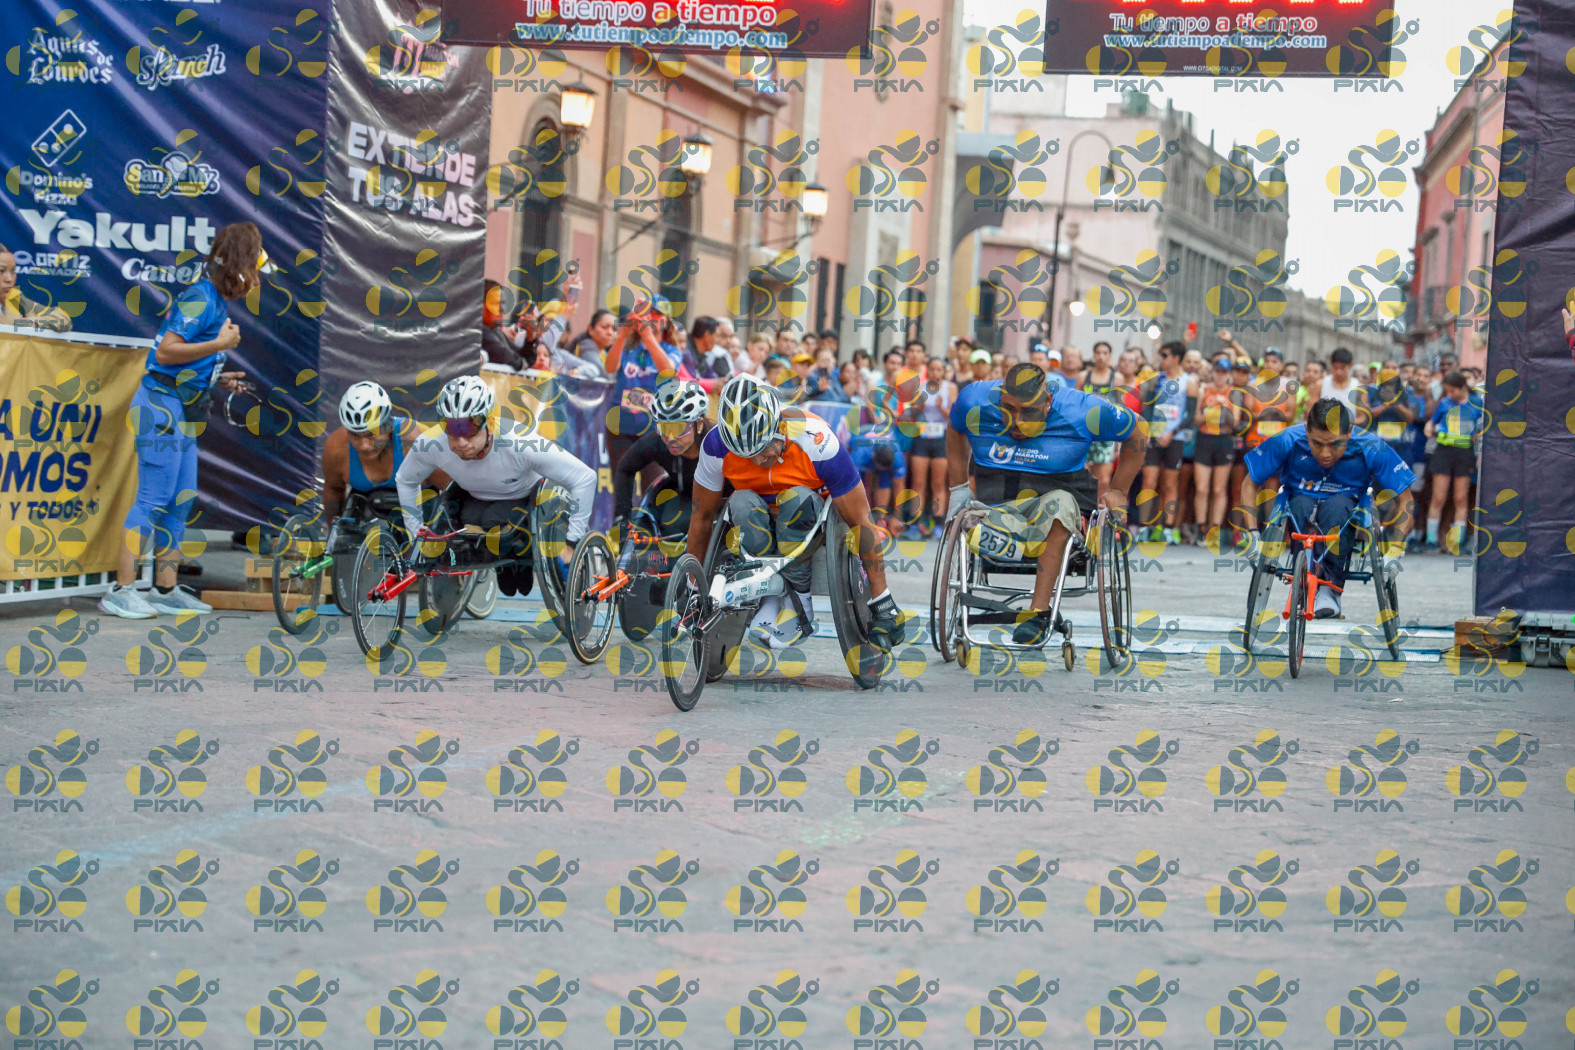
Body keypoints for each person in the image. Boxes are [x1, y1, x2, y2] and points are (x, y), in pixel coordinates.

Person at [100, 222, 260, 619]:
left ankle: (165, 589)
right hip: (161, 405)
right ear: (238, 265)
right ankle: (121, 590)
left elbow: (187, 357)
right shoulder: (201, 298)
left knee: (179, 499)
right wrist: (221, 344)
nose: (256, 279)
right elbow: (166, 353)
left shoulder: (214, 299)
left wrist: (217, 376)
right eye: (253, 268)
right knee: (152, 499)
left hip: (181, 407)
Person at [686, 374, 901, 649]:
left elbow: (861, 520)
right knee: (739, 502)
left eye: (763, 448)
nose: (757, 460)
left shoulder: (817, 439)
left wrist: (882, 600)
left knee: (795, 500)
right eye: (745, 455)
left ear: (780, 425)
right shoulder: (715, 446)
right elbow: (702, 518)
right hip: (758, 521)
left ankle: (800, 602)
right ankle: (768, 596)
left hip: (811, 525)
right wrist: (692, 590)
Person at [947, 362, 1145, 645]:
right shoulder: (974, 400)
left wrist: (1119, 491)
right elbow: (954, 427)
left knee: (1059, 505)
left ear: (1048, 402)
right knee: (975, 518)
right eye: (1008, 409)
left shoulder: (1083, 410)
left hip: (1058, 499)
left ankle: (1037, 613)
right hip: (997, 503)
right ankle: (1008, 538)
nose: (1016, 422)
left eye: (1028, 412)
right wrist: (958, 488)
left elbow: (1139, 430)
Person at [395, 375, 597, 596]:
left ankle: (520, 554)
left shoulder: (519, 442)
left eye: (470, 428)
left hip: (525, 501)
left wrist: (572, 543)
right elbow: (405, 480)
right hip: (475, 499)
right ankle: (503, 555)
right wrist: (415, 531)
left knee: (492, 520)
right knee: (466, 520)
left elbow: (584, 477)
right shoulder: (431, 444)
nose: (461, 442)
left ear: (489, 422)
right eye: (452, 428)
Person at [1241, 399, 1415, 619]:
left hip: (1346, 505)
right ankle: (1302, 577)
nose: (1325, 453)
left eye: (1334, 444)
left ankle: (1330, 591)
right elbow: (1249, 484)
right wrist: (1252, 534)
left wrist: (1396, 549)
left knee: (1337, 507)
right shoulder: (1287, 439)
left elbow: (1406, 500)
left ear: (1349, 433)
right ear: (1307, 431)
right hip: (1299, 501)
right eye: (1317, 443)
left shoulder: (1371, 446)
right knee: (1300, 505)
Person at [321, 381, 448, 521]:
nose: (364, 446)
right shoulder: (336, 448)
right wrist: (334, 533)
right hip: (366, 517)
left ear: (388, 425)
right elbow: (333, 492)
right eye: (355, 436)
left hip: (421, 511)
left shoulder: (418, 441)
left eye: (371, 434)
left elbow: (452, 490)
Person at [612, 379, 710, 540]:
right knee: (661, 523)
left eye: (678, 428)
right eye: (664, 427)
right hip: (685, 498)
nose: (670, 438)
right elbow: (625, 467)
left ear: (698, 424)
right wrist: (621, 519)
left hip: (721, 503)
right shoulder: (658, 442)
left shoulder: (717, 443)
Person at [602, 299, 684, 476]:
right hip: (621, 425)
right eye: (648, 312)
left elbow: (668, 371)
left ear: (667, 321)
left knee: (653, 482)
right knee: (621, 481)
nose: (652, 317)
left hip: (653, 428)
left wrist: (648, 337)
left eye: (658, 313)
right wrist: (622, 336)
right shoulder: (629, 348)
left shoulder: (672, 350)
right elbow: (609, 368)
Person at [1136, 340, 1196, 544]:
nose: (1161, 359)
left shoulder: (1189, 382)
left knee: (1170, 484)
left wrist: (1172, 432)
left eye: (1165, 355)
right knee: (1149, 480)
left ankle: (1168, 528)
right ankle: (1144, 527)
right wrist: (1152, 432)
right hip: (1155, 437)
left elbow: (1190, 415)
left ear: (1176, 358)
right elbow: (1147, 408)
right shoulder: (1156, 380)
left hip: (1175, 438)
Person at [1421, 370, 1483, 553]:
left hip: (1465, 453)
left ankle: (1457, 542)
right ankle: (1431, 540)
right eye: (1447, 391)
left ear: (1462, 387)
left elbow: (1483, 430)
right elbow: (1432, 422)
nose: (1449, 394)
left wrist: (1480, 452)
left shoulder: (1477, 403)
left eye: (1452, 391)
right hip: (1444, 451)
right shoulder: (1445, 402)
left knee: (1460, 498)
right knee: (1438, 497)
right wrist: (1428, 428)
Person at [903, 357, 956, 538]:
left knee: (938, 483)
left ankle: (938, 524)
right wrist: (921, 405)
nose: (935, 373)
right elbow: (912, 413)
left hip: (941, 438)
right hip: (922, 437)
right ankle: (915, 524)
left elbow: (954, 417)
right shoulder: (920, 387)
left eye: (939, 369)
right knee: (918, 483)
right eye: (932, 369)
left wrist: (941, 408)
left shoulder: (950, 388)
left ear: (943, 371)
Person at [1191, 356, 1240, 545]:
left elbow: (1235, 422)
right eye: (1217, 371)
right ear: (1213, 372)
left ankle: (1215, 529)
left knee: (1219, 488)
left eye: (1224, 372)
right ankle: (1201, 527)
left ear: (1228, 375)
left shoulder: (1233, 393)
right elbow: (1196, 419)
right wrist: (1209, 410)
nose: (1220, 375)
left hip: (1223, 439)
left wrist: (1224, 407)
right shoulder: (1204, 389)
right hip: (1205, 438)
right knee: (1202, 488)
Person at [0, 245, 72, 331]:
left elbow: (63, 320)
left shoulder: (14, 298)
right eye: (1, 271)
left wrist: (31, 322)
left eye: (13, 271)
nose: (9, 279)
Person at [1321, 347, 1365, 412]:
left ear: (1351, 365)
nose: (1339, 372)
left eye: (1343, 368)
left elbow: (1362, 416)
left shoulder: (1359, 388)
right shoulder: (1322, 383)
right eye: (1335, 367)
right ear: (1331, 364)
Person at [691, 316, 733, 380]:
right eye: (717, 335)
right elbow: (689, 380)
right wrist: (712, 383)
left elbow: (711, 376)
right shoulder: (686, 353)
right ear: (707, 335)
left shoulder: (702, 355)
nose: (717, 340)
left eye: (731, 336)